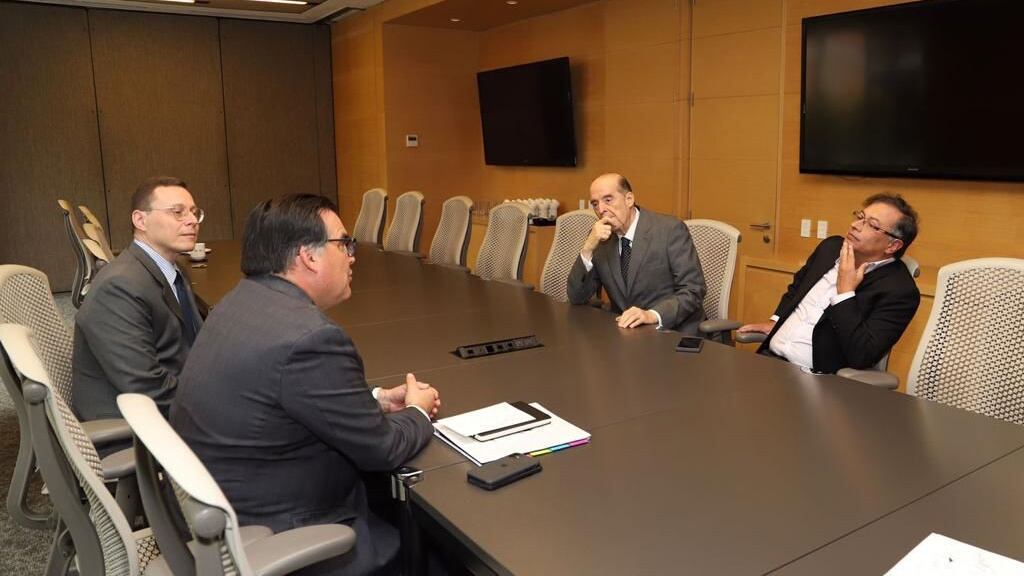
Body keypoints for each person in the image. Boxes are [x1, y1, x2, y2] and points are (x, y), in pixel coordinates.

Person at [171, 194, 440, 575]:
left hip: (223, 507)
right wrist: (417, 411)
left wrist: (375, 399)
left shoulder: (240, 302)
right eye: (344, 244)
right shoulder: (311, 338)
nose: (352, 256)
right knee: (438, 549)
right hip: (278, 530)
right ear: (308, 256)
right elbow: (383, 449)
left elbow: (280, 390)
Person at [738, 193, 921, 373]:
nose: (855, 225)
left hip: (817, 378)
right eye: (860, 217)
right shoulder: (830, 248)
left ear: (892, 246)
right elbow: (797, 288)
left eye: (872, 225)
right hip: (768, 360)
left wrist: (845, 294)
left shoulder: (900, 291)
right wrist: (775, 320)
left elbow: (863, 355)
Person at [73, 176, 206, 421]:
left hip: (176, 393)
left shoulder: (173, 270)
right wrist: (216, 406)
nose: (191, 221)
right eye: (177, 212)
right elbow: (147, 388)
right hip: (137, 425)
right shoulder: (119, 287)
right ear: (140, 220)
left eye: (194, 212)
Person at [566, 173, 707, 333]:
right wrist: (588, 248)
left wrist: (651, 315)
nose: (601, 209)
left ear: (629, 199)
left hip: (672, 331)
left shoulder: (669, 230)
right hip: (626, 333)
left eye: (608, 200)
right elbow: (577, 297)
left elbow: (693, 290)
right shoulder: (600, 238)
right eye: (595, 204)